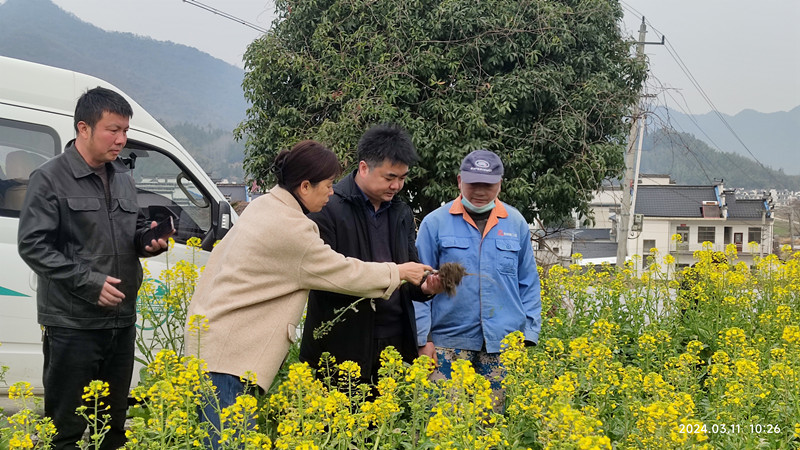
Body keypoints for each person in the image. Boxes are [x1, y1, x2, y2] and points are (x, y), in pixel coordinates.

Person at [185, 140, 432, 446]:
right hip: (230, 359)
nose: (332, 192)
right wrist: (400, 272)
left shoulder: (264, 206)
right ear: (304, 186)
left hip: (217, 350)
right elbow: (343, 272)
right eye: (328, 185)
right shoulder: (291, 228)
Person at [17, 87, 171, 450]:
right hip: (73, 325)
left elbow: (127, 231)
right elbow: (33, 245)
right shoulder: (50, 178)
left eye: (125, 131)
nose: (121, 140)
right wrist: (89, 283)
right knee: (65, 429)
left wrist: (147, 241)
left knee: (113, 428)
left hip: (121, 321)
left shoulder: (121, 175)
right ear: (83, 129)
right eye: (113, 130)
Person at [299, 124, 443, 384]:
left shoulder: (400, 212)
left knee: (387, 420)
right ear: (364, 168)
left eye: (402, 178)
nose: (397, 185)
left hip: (394, 343)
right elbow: (326, 278)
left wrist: (425, 286)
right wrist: (395, 274)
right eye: (389, 178)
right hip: (341, 344)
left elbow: (409, 275)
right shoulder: (327, 208)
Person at [414, 149, 541, 410]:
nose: (480, 191)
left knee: (490, 425)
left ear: (500, 184)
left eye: (488, 184)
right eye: (473, 184)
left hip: (503, 344)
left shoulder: (515, 222)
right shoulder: (435, 223)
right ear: (460, 181)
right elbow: (417, 286)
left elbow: (527, 281)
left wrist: (528, 333)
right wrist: (422, 339)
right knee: (444, 424)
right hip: (446, 343)